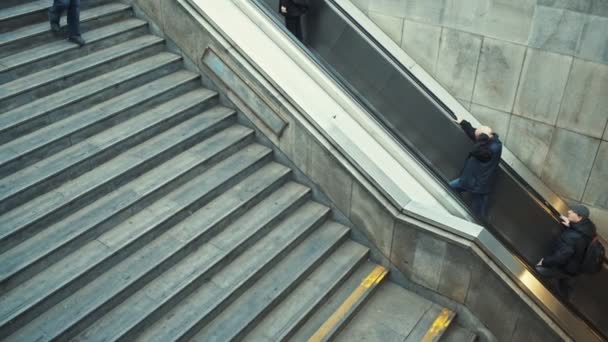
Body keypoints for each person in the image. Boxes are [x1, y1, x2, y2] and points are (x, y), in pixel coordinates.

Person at [536, 205, 596, 299]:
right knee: (567, 286)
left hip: (567, 268)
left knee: (539, 270)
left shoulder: (572, 237)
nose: (569, 211)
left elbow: (561, 257)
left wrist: (544, 262)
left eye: (572, 211)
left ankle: (552, 298)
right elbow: (580, 237)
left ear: (579, 217)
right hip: (576, 267)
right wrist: (571, 225)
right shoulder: (589, 229)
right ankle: (566, 296)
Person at [450, 119, 502, 219]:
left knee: (478, 215)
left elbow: (477, 150)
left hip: (479, 187)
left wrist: (481, 138)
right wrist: (464, 123)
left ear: (485, 137)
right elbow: (474, 134)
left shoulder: (493, 148)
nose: (477, 139)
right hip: (468, 180)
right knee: (449, 190)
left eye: (480, 138)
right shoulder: (488, 140)